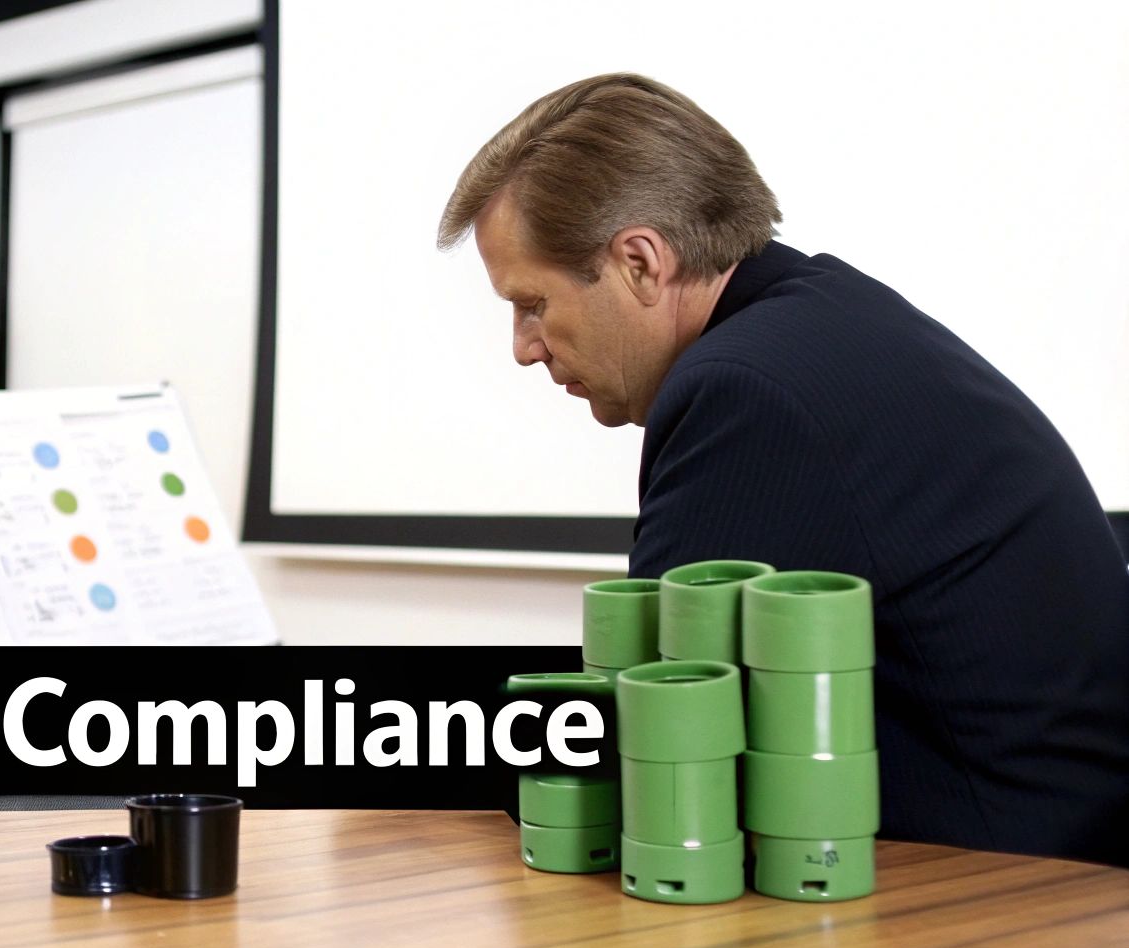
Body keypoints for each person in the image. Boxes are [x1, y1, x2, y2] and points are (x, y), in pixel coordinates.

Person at [437, 72, 1129, 865]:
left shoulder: (748, 392)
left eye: (531, 305)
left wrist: (376, 739)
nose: (523, 348)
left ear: (639, 262)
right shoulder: (820, 321)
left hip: (1009, 890)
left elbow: (651, 750)